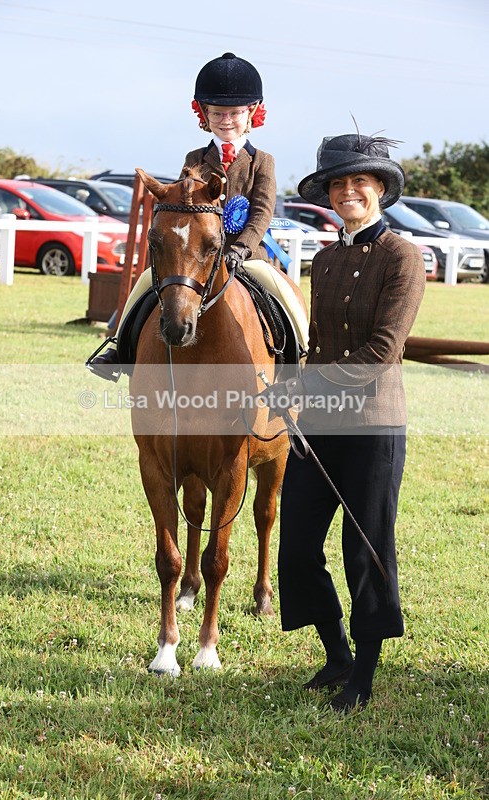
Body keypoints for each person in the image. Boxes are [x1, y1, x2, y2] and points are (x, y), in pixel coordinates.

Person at [259, 132, 426, 712]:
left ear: (379, 188)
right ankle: (336, 655)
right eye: (338, 183)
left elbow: (382, 350)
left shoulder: (403, 256)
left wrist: (304, 385)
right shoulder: (325, 258)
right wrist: (290, 385)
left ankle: (366, 673)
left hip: (373, 427)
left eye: (359, 181)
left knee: (366, 549)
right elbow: (320, 345)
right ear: (328, 194)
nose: (348, 191)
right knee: (297, 546)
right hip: (319, 424)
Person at [86, 52, 308, 380]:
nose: (226, 120)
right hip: (197, 257)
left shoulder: (263, 161)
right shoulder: (195, 157)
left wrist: (240, 249)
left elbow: (261, 212)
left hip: (247, 256)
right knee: (146, 282)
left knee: (283, 292)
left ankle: (299, 360)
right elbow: (183, 206)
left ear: (251, 114)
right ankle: (120, 346)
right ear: (205, 115)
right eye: (218, 113)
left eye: (234, 113)